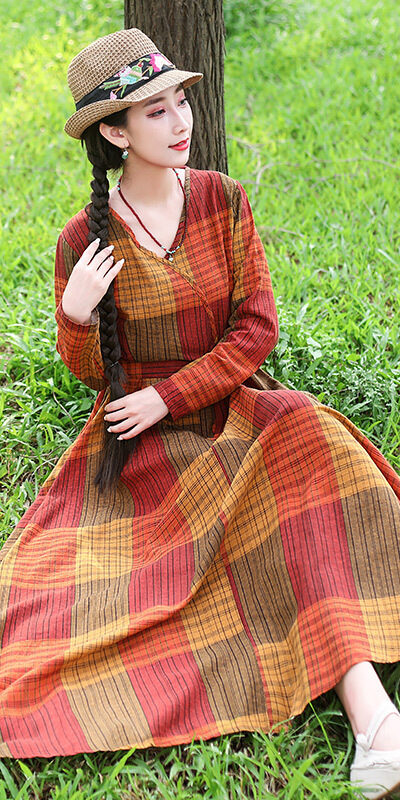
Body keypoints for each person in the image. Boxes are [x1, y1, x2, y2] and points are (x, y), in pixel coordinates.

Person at [0, 26, 399, 798]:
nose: (181, 120)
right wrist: (77, 318)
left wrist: (171, 395)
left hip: (230, 414)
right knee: (120, 600)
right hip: (140, 451)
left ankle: (370, 712)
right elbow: (95, 375)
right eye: (153, 111)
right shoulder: (84, 238)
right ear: (113, 132)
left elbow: (256, 329)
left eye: (180, 100)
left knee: (308, 438)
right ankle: (375, 719)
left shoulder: (222, 198)